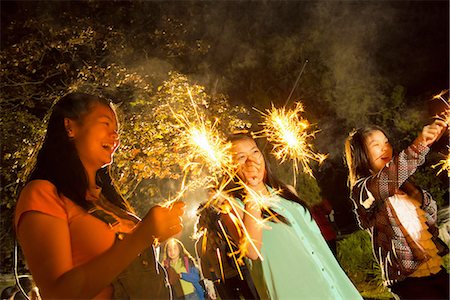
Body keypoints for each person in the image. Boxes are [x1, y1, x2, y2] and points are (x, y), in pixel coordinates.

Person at [14, 92, 185, 299]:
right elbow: (57, 293)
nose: (115, 137)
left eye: (117, 131)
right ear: (70, 127)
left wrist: (154, 234)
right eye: (106, 124)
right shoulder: (42, 194)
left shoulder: (106, 201)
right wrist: (140, 237)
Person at [213, 132, 362, 299]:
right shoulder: (232, 207)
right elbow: (252, 251)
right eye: (241, 157)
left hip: (330, 283)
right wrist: (252, 190)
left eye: (255, 151)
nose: (251, 160)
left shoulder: (287, 192)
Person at [344, 120, 449, 300]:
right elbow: (385, 182)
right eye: (375, 145)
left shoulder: (404, 185)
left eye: (386, 142)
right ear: (361, 154)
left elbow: (430, 222)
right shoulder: (363, 190)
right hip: (409, 280)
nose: (385, 149)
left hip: (436, 269)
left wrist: (419, 196)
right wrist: (420, 145)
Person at [194, 202, 261, 300]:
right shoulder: (227, 229)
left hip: (224, 282)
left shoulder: (200, 244)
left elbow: (206, 273)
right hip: (241, 272)